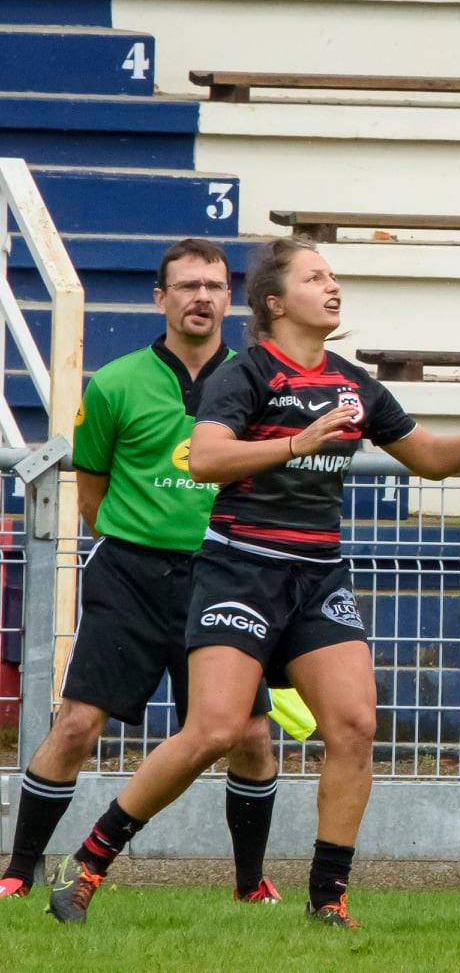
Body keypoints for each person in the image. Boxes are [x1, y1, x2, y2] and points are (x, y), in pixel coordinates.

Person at [47, 237, 460, 929]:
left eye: (333, 276)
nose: (333, 287)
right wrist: (294, 442)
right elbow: (207, 458)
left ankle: (327, 899)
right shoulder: (245, 374)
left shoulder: (352, 382)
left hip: (315, 575)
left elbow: (429, 459)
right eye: (317, 277)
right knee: (215, 729)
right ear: (276, 303)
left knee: (354, 724)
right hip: (239, 570)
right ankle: (89, 861)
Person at [0, 239, 283, 905]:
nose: (201, 297)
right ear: (160, 298)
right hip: (128, 574)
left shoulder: (258, 382)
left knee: (247, 734)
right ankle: (18, 870)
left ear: (229, 298)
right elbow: (92, 486)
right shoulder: (117, 382)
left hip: (223, 578)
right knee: (75, 724)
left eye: (214, 285)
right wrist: (138, 538)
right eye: (186, 285)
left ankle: (249, 885)